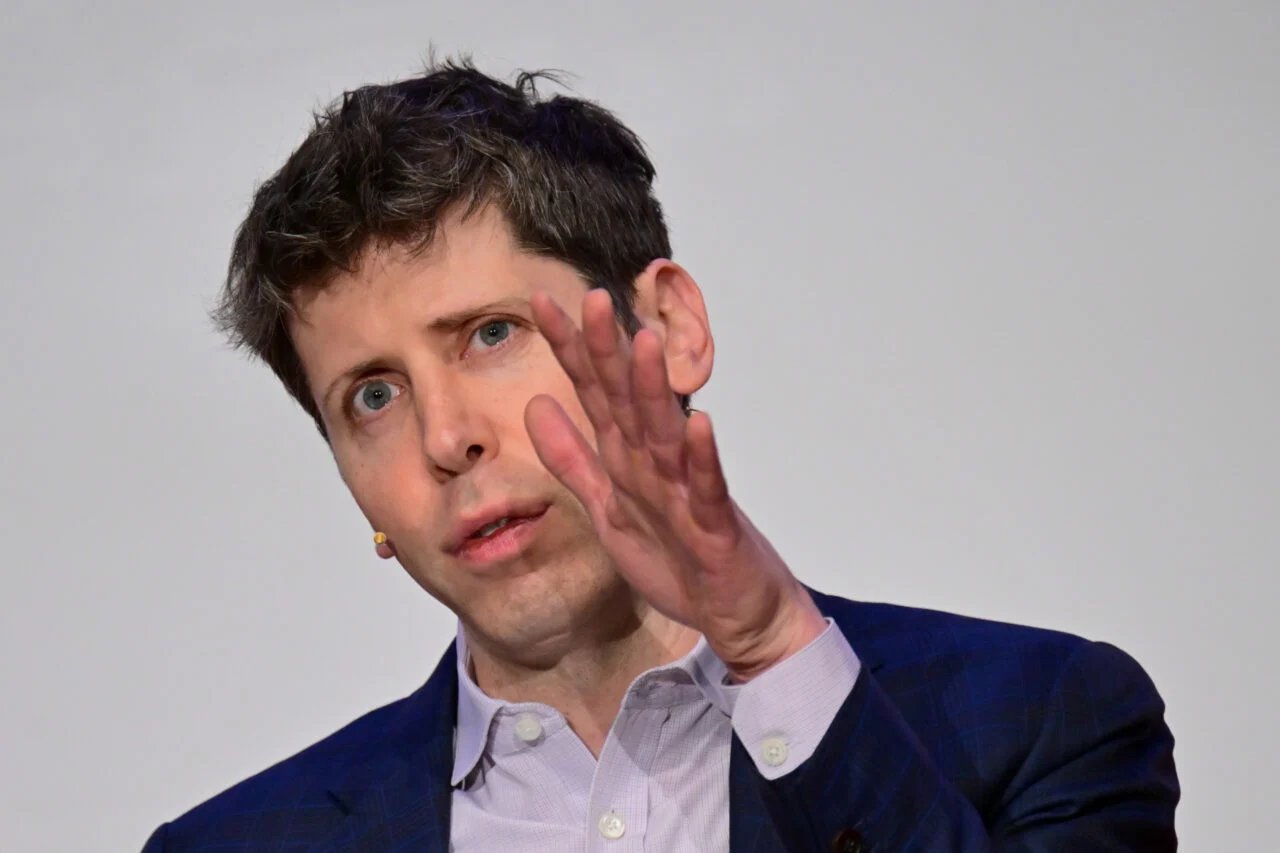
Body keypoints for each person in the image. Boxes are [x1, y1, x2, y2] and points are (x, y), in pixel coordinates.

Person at [142, 59, 1179, 852]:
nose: (445, 438)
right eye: (371, 395)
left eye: (491, 334)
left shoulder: (1045, 722)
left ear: (670, 327)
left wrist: (772, 648)